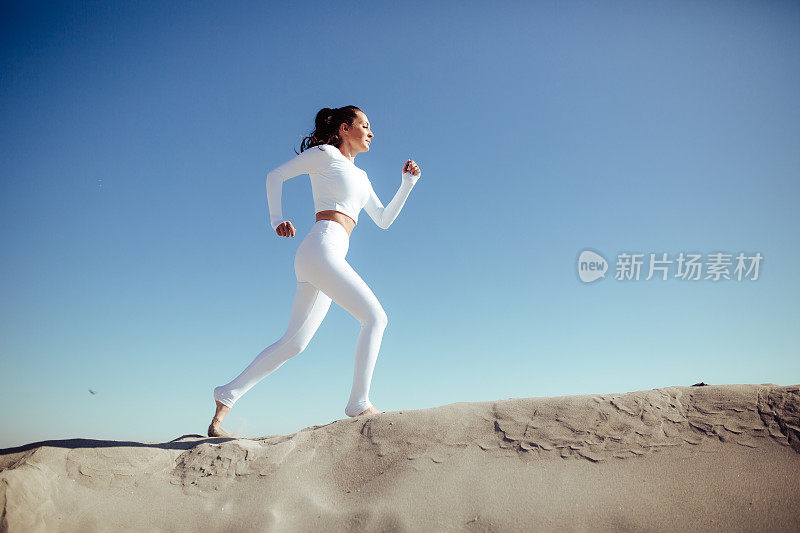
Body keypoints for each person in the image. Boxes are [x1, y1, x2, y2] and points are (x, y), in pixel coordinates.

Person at [208, 105, 421, 438]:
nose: (371, 132)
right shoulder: (324, 155)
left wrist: (407, 184)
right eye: (364, 125)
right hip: (321, 247)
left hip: (324, 254)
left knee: (294, 343)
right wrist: (277, 219)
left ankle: (227, 394)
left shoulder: (362, 177)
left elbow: (382, 220)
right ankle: (358, 403)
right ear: (344, 129)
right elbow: (274, 176)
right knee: (375, 318)